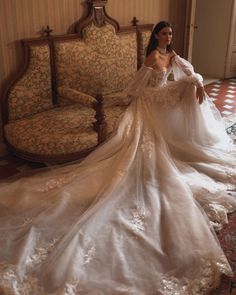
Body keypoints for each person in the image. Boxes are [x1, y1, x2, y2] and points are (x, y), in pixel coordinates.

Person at [0, 21, 235, 294]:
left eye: (170, 33)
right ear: (156, 36)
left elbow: (188, 69)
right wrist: (128, 99)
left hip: (163, 101)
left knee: (185, 87)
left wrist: (195, 81)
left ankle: (188, 139)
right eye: (164, 33)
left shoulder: (173, 55)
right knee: (155, 131)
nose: (169, 37)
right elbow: (137, 86)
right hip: (149, 103)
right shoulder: (153, 57)